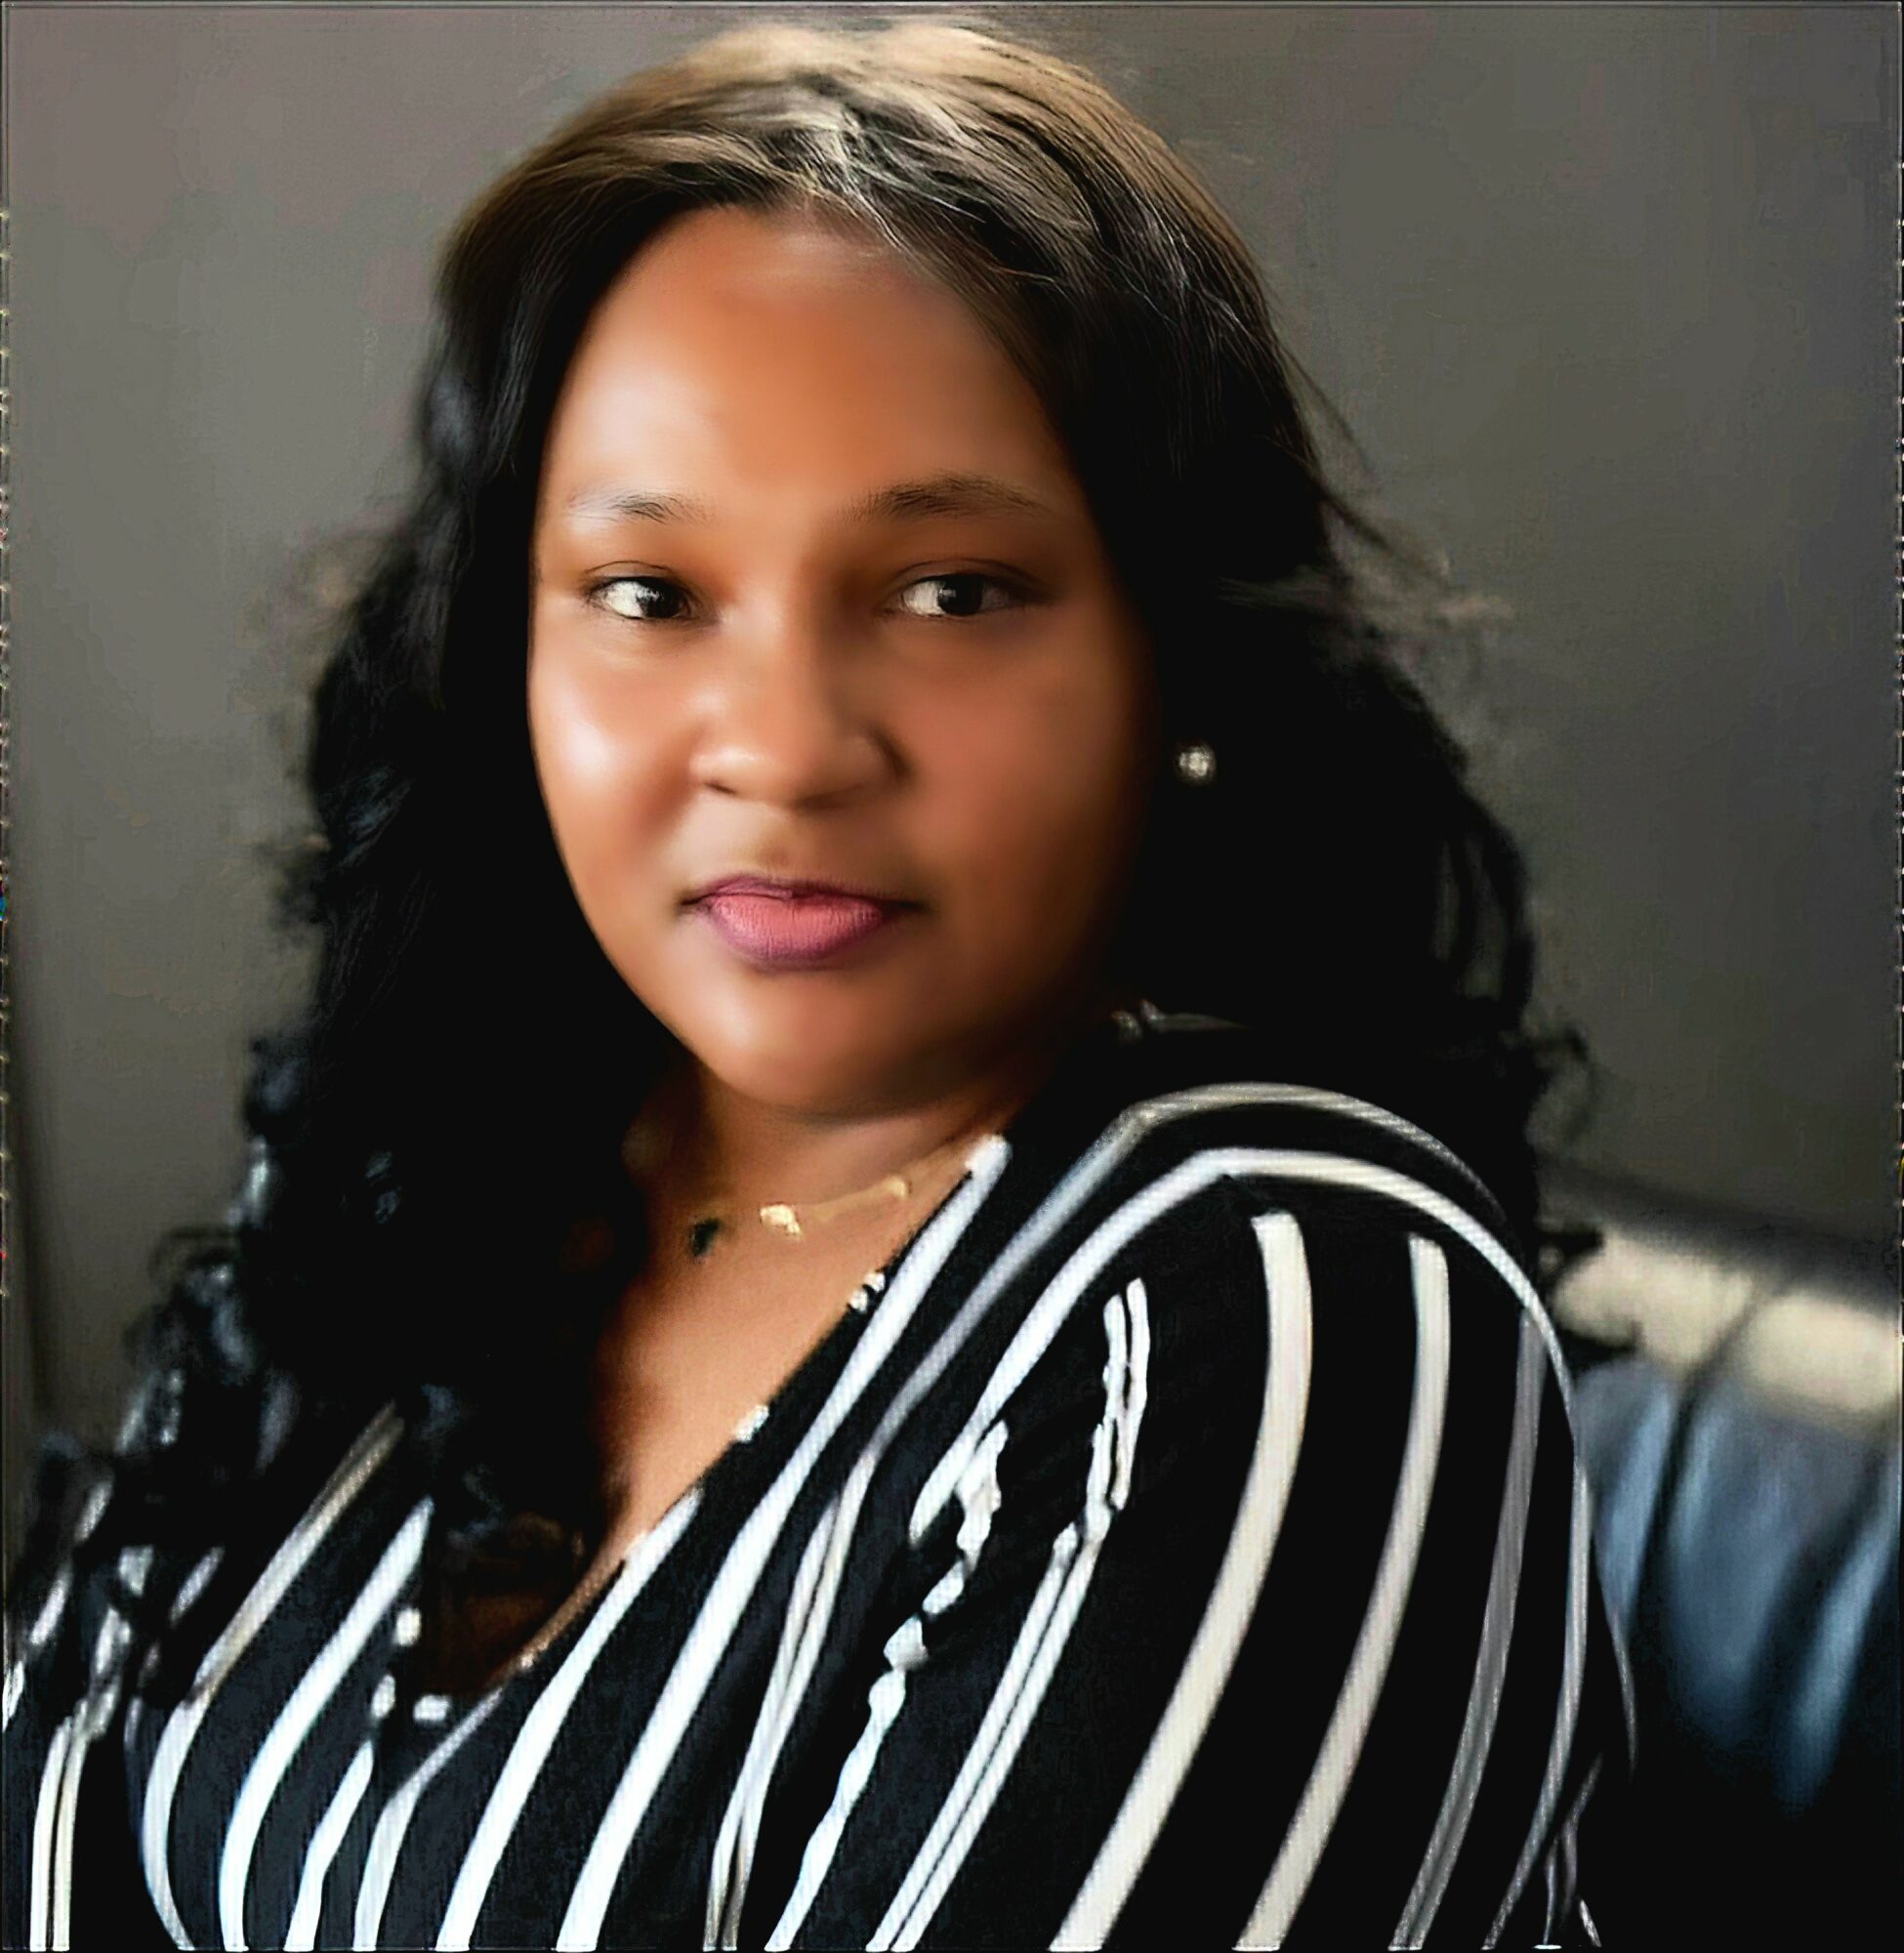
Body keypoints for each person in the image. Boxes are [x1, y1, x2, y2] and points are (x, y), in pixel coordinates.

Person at [2, 16, 1635, 1948]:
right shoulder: (424, 1159)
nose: (782, 748)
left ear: (1176, 663)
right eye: (648, 595)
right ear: (500, 660)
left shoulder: (1284, 1303)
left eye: (951, 591)